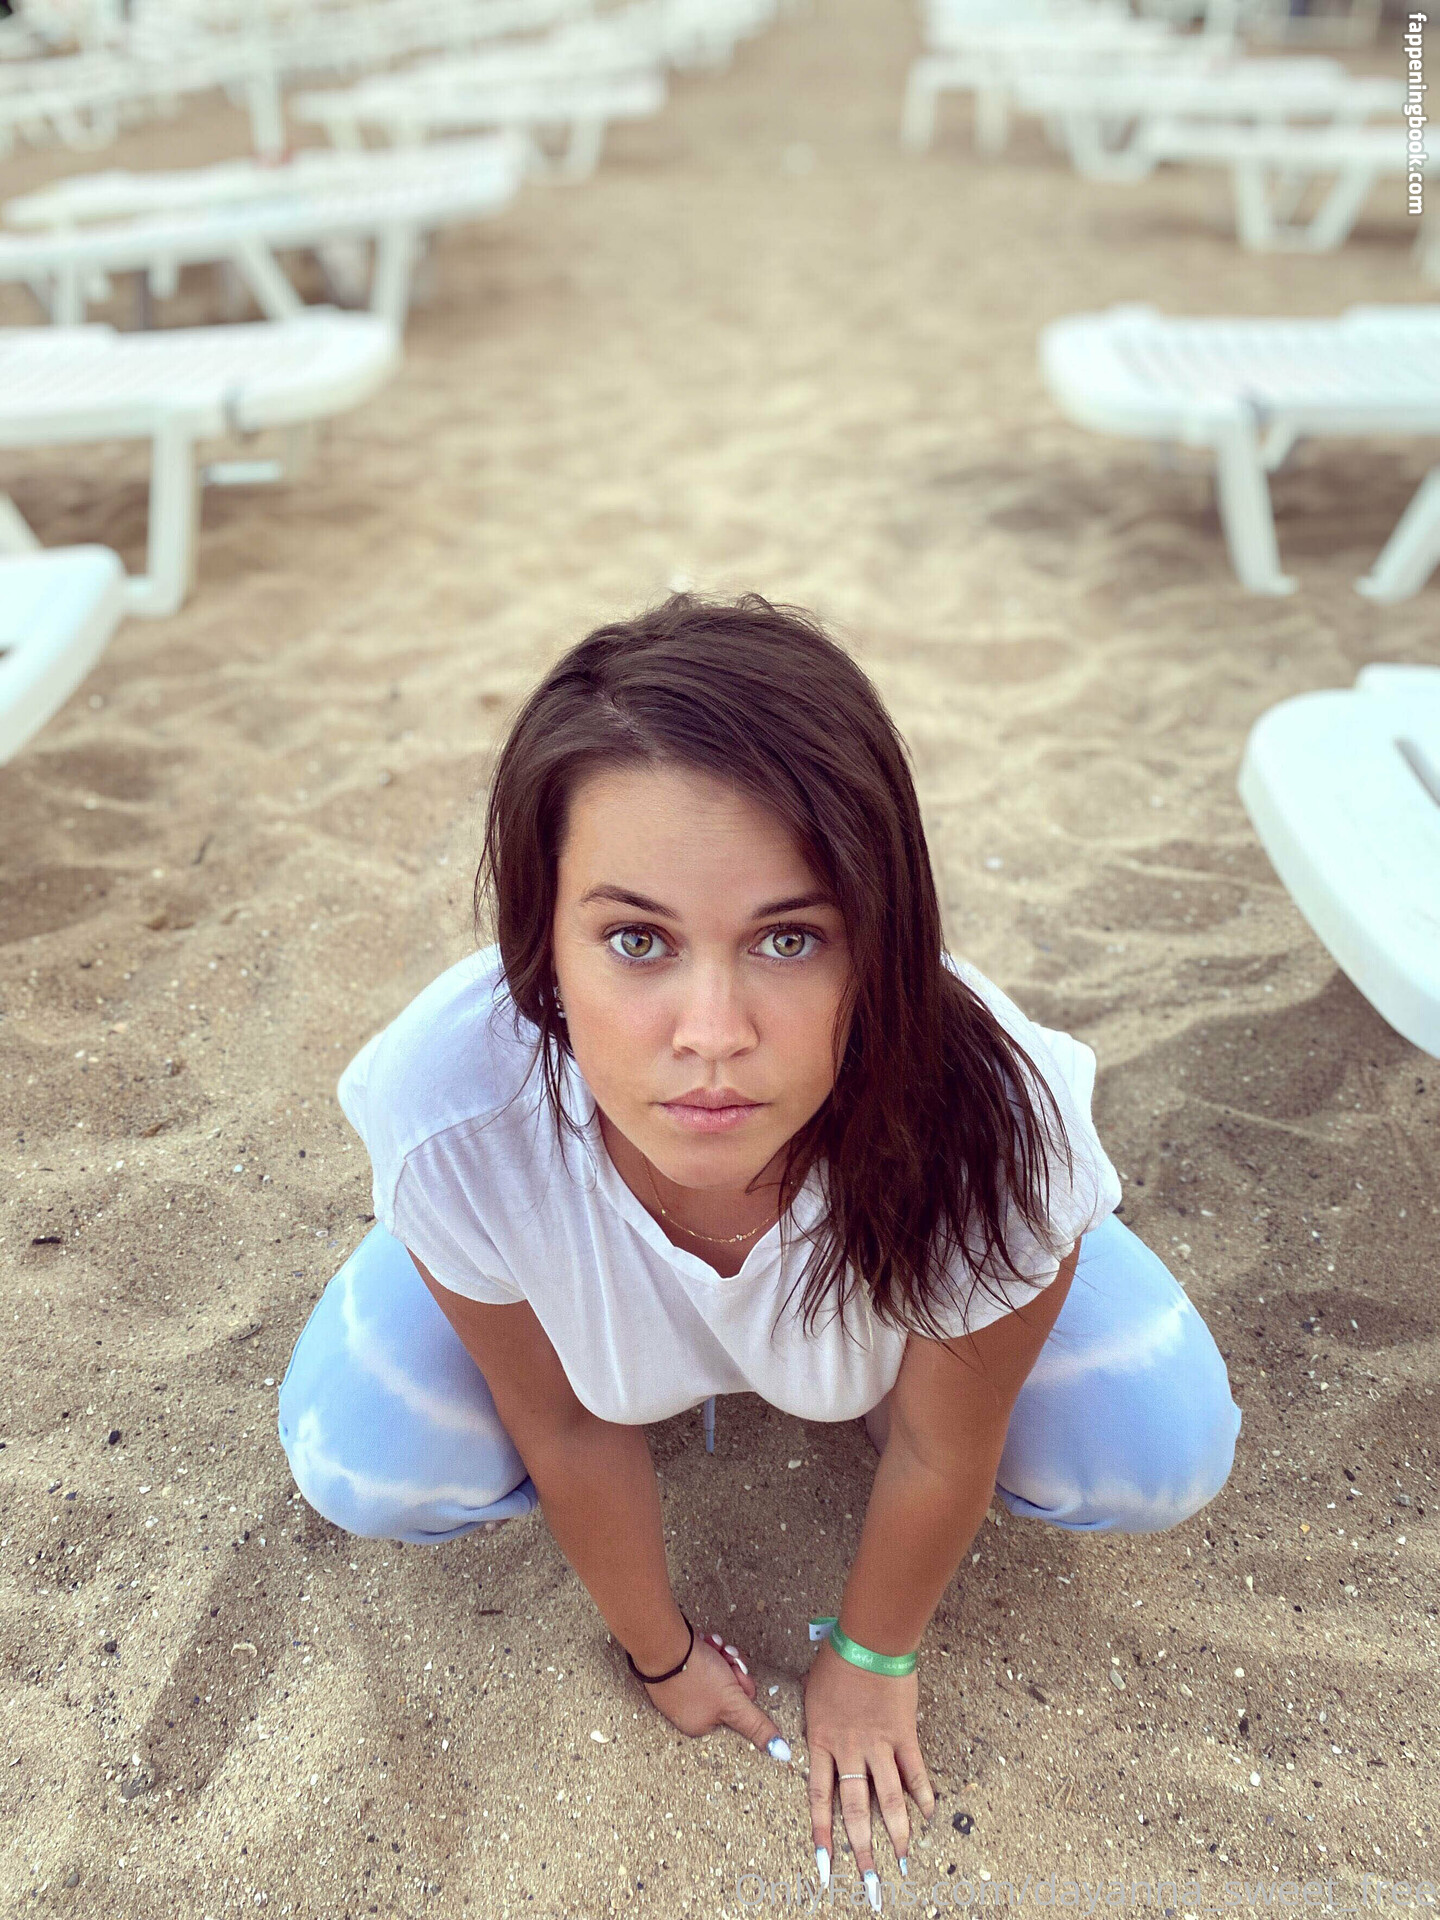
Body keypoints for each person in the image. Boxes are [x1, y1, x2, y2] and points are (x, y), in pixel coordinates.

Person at [278, 592, 1240, 1908]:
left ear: (877, 941)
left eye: (790, 938)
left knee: (1157, 1446)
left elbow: (942, 1450)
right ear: (541, 947)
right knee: (362, 1456)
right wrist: (661, 1653)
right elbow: (566, 1424)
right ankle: (552, 1284)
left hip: (931, 1192)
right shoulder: (452, 1103)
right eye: (636, 941)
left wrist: (874, 1658)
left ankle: (899, 1337)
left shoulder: (998, 1129)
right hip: (518, 1213)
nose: (713, 1033)